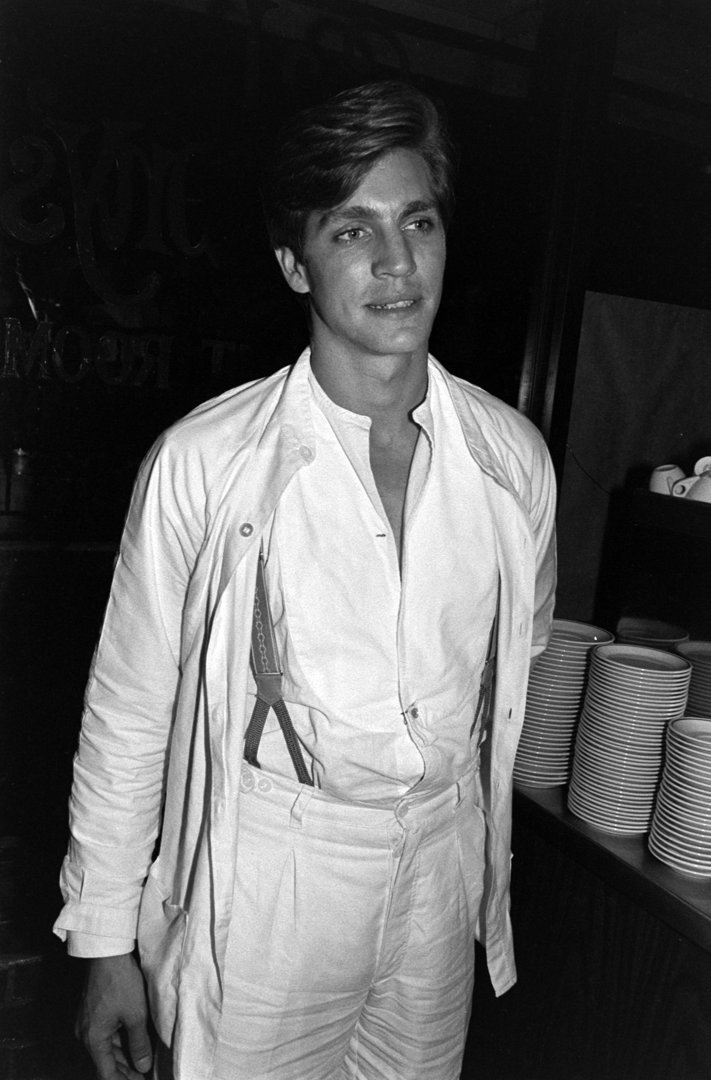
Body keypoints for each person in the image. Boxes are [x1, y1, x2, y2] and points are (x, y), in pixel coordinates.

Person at [53, 80, 556, 1080]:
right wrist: (104, 941)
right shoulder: (205, 462)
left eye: (417, 221)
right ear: (294, 263)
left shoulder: (512, 463)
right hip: (273, 872)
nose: (396, 262)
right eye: (351, 231)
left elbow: (517, 668)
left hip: (435, 872)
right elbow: (129, 712)